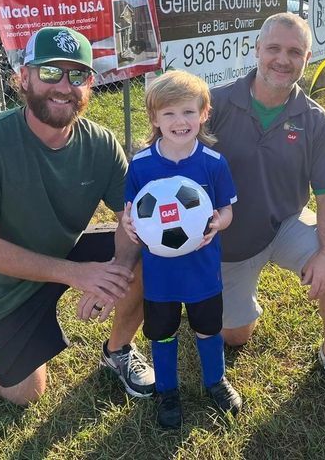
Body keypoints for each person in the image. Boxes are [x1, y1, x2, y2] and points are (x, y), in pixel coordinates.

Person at [0, 26, 154, 405]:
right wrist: (78, 274)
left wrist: (116, 272)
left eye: (77, 75)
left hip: (65, 248)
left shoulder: (100, 143)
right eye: (50, 72)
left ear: (90, 84)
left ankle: (119, 349)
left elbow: (132, 217)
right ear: (23, 77)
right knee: (25, 393)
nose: (64, 85)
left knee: (146, 253)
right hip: (5, 282)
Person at [208, 12, 325, 402]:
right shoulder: (215, 102)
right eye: (274, 48)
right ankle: (231, 297)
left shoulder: (314, 119)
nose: (283, 59)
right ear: (256, 49)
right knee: (235, 337)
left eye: (294, 51)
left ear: (307, 58)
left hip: (283, 226)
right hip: (229, 243)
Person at [122, 70, 241, 429]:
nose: (179, 121)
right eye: (169, 113)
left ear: (204, 113)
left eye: (188, 112)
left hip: (202, 271)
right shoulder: (141, 166)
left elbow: (227, 210)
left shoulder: (213, 163)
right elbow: (131, 213)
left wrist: (220, 222)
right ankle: (167, 390)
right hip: (160, 276)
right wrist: (129, 225)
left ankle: (215, 381)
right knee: (162, 331)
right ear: (155, 118)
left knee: (208, 327)